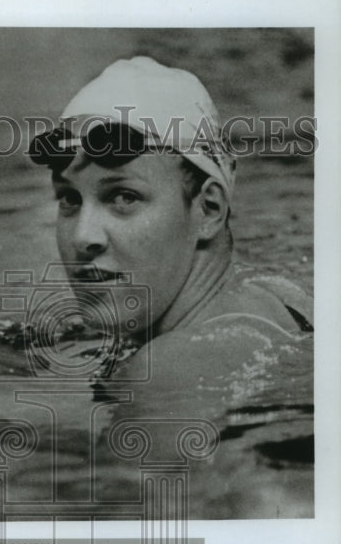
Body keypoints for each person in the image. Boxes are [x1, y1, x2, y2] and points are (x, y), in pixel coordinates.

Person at [28, 55, 313, 408]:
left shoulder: (171, 368)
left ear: (209, 209)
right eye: (69, 198)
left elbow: (119, 463)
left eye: (123, 196)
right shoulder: (271, 298)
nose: (83, 237)